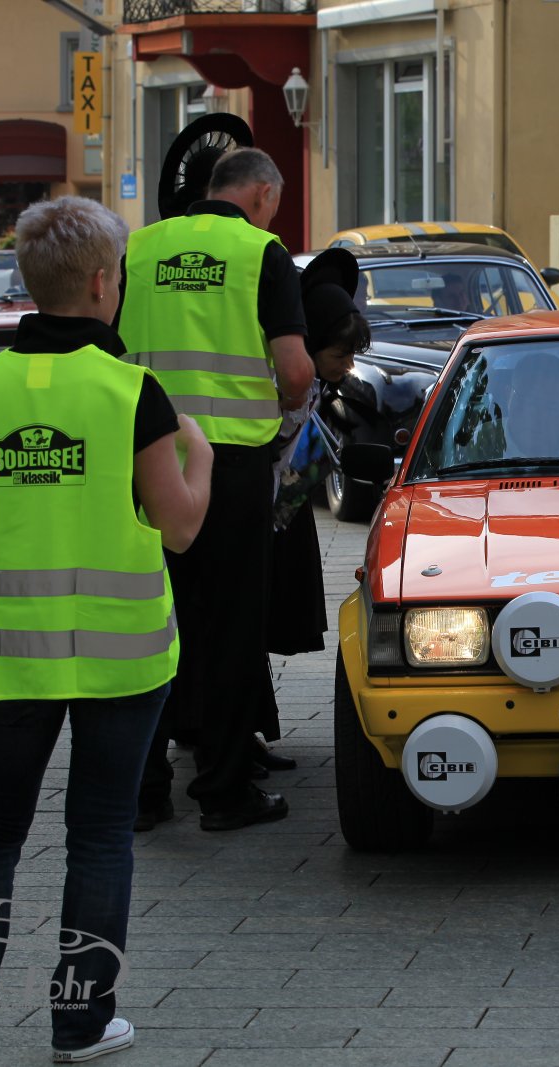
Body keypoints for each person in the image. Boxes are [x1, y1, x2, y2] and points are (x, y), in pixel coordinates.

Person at [0, 196, 213, 1062]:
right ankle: (81, 1025)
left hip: (4, 657)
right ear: (103, 283)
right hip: (121, 658)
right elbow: (181, 526)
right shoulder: (132, 393)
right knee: (100, 835)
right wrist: (202, 454)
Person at [119, 146, 314, 832]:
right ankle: (224, 791)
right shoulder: (261, 253)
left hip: (147, 460)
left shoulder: (139, 248)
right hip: (231, 465)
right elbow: (296, 372)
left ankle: (144, 792)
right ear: (261, 194)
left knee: (151, 625)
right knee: (230, 629)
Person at [257, 248, 371, 755]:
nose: (348, 366)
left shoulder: (318, 386)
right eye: (340, 355)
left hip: (282, 515)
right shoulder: (277, 386)